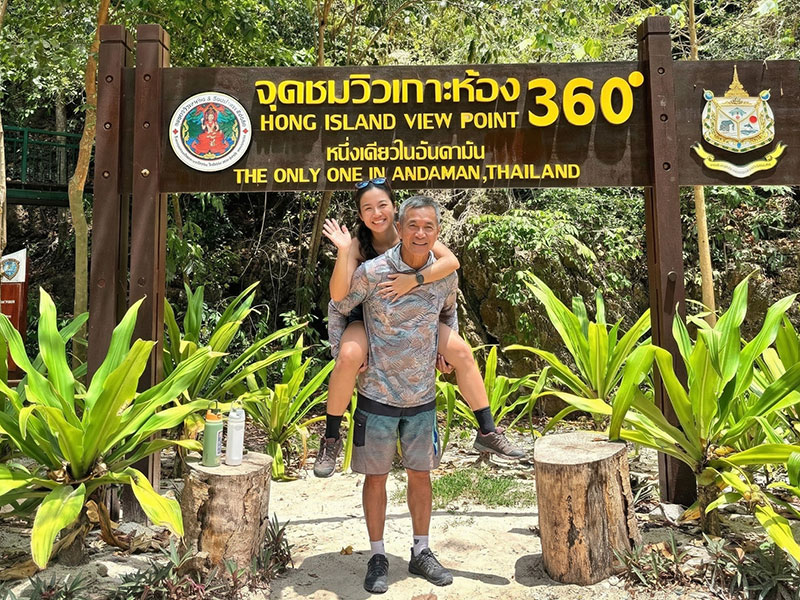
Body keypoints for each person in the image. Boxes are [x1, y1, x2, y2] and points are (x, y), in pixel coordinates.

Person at [314, 178, 523, 478]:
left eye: (382, 205)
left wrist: (413, 280)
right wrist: (344, 251)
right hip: (367, 314)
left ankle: (487, 431)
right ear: (360, 215)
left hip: (417, 316)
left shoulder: (414, 232)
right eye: (368, 208)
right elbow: (339, 298)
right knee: (348, 356)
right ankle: (331, 438)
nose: (377, 213)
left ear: (394, 208)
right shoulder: (360, 246)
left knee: (461, 352)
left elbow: (451, 264)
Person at [328, 195, 460, 593]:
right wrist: (343, 351)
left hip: (421, 395)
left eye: (428, 227)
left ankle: (421, 551)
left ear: (437, 232)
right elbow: (338, 306)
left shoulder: (444, 275)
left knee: (421, 476)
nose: (420, 234)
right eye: (413, 226)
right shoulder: (372, 271)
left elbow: (449, 311)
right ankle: (377, 555)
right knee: (376, 478)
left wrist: (445, 348)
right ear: (399, 229)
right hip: (377, 394)